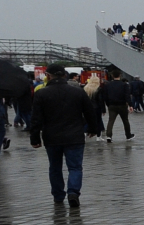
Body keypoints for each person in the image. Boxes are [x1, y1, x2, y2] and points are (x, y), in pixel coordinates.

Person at [28, 65, 101, 206]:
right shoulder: (78, 92)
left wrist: (35, 138)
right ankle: (73, 192)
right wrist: (93, 128)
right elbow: (89, 112)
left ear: (48, 76)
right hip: (75, 135)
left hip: (52, 136)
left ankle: (58, 195)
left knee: (55, 167)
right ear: (64, 75)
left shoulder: (41, 94)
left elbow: (36, 119)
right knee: (75, 167)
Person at [101, 69, 133, 141]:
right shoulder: (124, 85)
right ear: (120, 75)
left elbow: (105, 96)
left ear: (112, 76)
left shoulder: (107, 85)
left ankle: (109, 135)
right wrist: (130, 105)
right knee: (125, 120)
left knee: (111, 121)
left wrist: (108, 104)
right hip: (122, 105)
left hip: (112, 105)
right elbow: (127, 96)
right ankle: (128, 135)